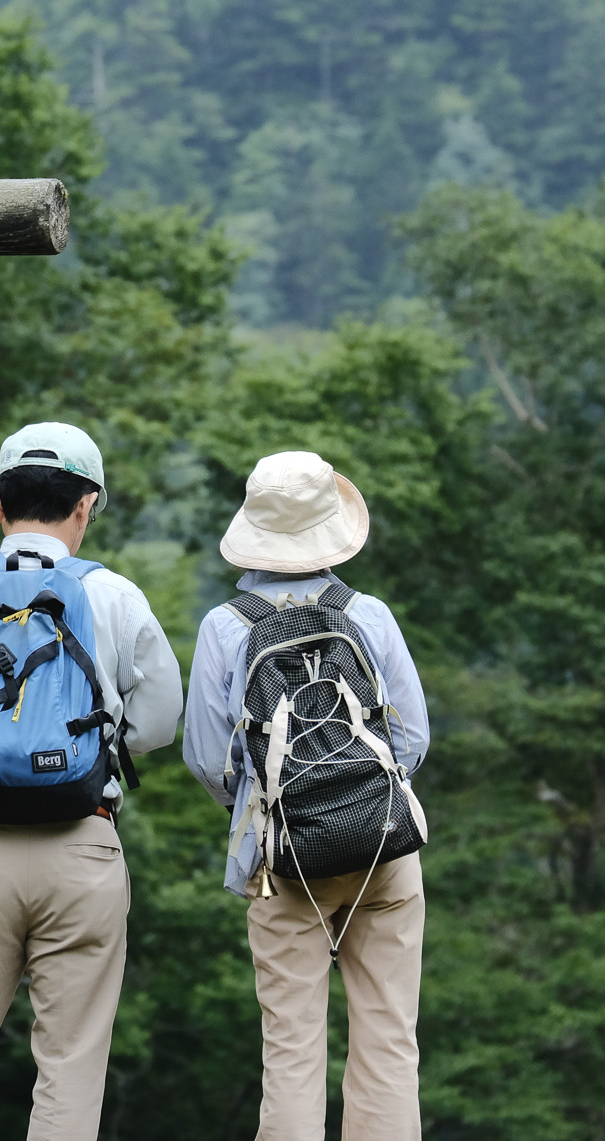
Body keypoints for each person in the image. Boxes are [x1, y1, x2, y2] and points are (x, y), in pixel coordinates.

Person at [0, 421, 183, 1141]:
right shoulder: (115, 595)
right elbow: (158, 724)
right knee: (69, 1069)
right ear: (86, 503)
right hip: (83, 849)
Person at [183, 450, 431, 1141]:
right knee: (388, 1043)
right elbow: (410, 741)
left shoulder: (225, 627)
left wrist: (272, 807)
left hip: (284, 858)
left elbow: (207, 759)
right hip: (384, 847)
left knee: (291, 1051)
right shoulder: (369, 614)